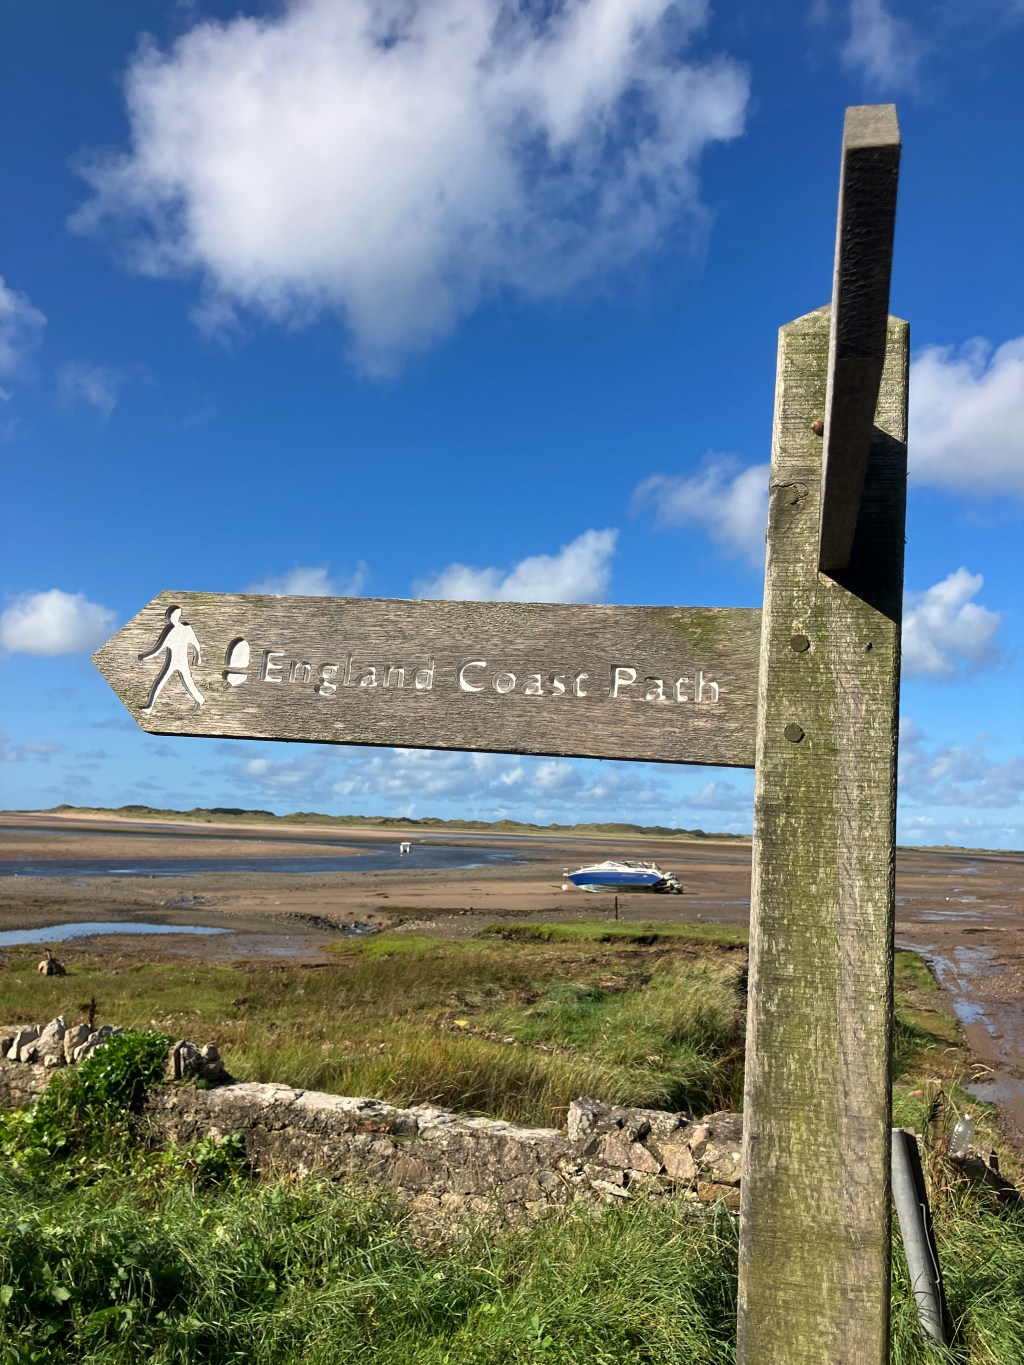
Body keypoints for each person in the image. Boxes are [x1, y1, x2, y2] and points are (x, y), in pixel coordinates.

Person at [140, 605, 205, 712]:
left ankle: (200, 699)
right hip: (173, 662)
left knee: (183, 682)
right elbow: (158, 648)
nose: (170, 616)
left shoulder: (184, 629)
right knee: (161, 682)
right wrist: (145, 656)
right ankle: (150, 706)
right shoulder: (174, 630)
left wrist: (198, 656)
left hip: (181, 662)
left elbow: (196, 644)